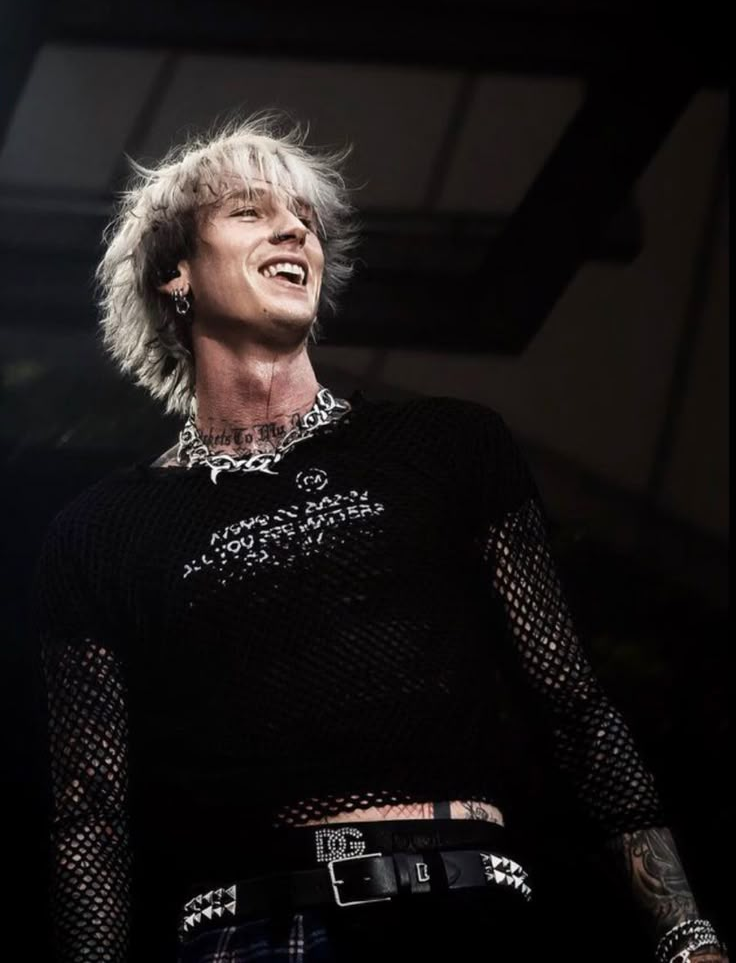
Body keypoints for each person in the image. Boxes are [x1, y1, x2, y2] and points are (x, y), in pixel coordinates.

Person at [32, 112, 727, 963]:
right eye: (251, 211)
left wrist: (685, 930)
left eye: (307, 221)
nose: (295, 229)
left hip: (473, 907)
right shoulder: (103, 531)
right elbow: (89, 806)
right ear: (177, 275)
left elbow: (572, 702)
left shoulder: (447, 446)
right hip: (254, 931)